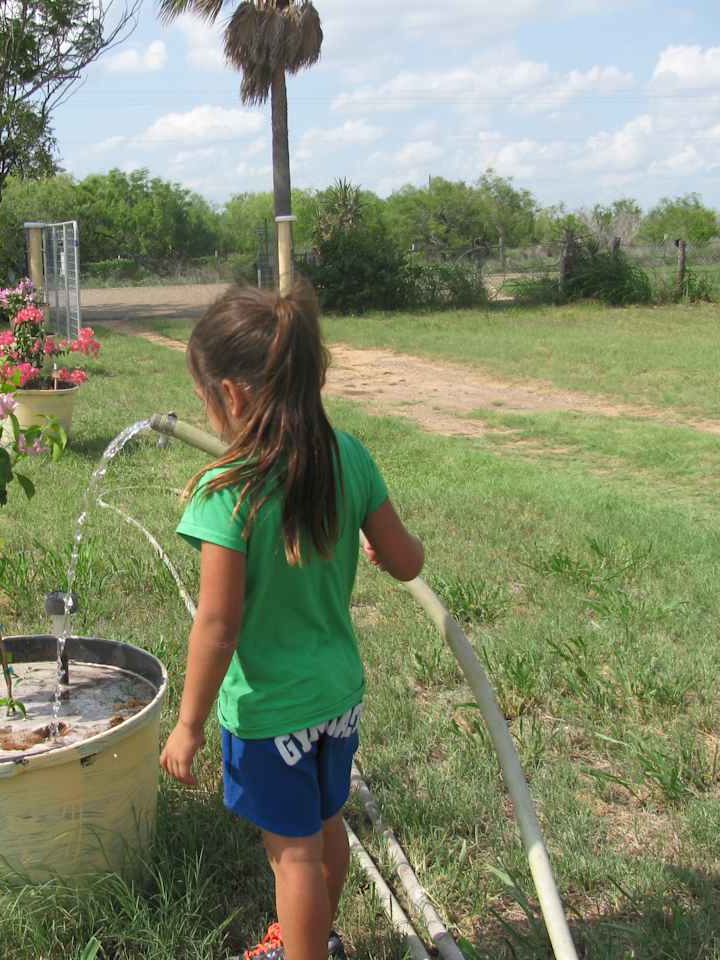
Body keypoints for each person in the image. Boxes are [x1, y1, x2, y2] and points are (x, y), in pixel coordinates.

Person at [159, 279, 425, 960]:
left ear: (236, 396)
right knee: (324, 822)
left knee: (294, 857)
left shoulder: (230, 492)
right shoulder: (350, 457)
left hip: (271, 712)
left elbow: (217, 626)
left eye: (207, 397)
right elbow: (405, 561)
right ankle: (312, 938)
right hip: (337, 698)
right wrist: (377, 542)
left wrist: (188, 726)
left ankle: (301, 948)